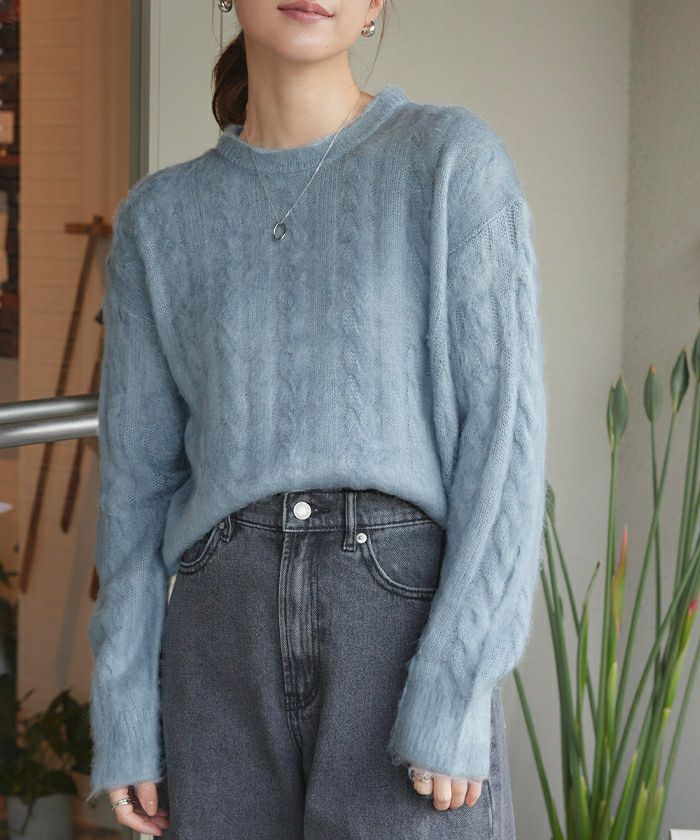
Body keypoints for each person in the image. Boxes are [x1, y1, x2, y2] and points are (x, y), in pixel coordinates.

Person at [85, 0, 548, 837]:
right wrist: (125, 713)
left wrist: (455, 685)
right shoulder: (158, 220)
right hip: (218, 646)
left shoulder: (450, 162)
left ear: (376, 6)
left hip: (397, 634)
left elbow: (503, 447)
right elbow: (134, 492)